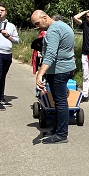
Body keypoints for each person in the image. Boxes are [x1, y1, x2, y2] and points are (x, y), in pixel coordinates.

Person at [31, 10, 76, 144]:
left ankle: (61, 134)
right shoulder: (62, 25)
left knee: (60, 101)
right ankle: (57, 129)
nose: (37, 27)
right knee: (58, 100)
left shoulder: (53, 31)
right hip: (65, 68)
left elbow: (50, 54)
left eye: (38, 23)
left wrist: (40, 74)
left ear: (45, 17)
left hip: (59, 71)